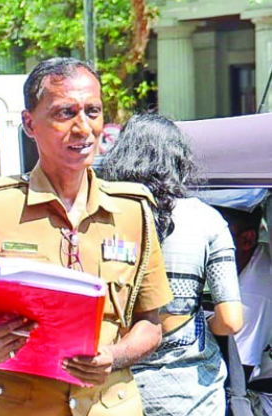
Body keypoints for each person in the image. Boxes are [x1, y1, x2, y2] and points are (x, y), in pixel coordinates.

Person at [0, 57, 173, 416]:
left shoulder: (132, 211)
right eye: (65, 113)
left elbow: (151, 325)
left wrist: (114, 356)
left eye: (93, 111)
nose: (83, 128)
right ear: (30, 123)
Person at [101, 114, 243, 416]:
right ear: (179, 160)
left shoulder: (107, 216)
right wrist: (199, 324)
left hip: (120, 390)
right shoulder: (208, 221)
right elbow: (231, 321)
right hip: (194, 395)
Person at [218, 206, 272, 416]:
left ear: (247, 239)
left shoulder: (252, 293)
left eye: (219, 238)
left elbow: (238, 373)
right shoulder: (258, 258)